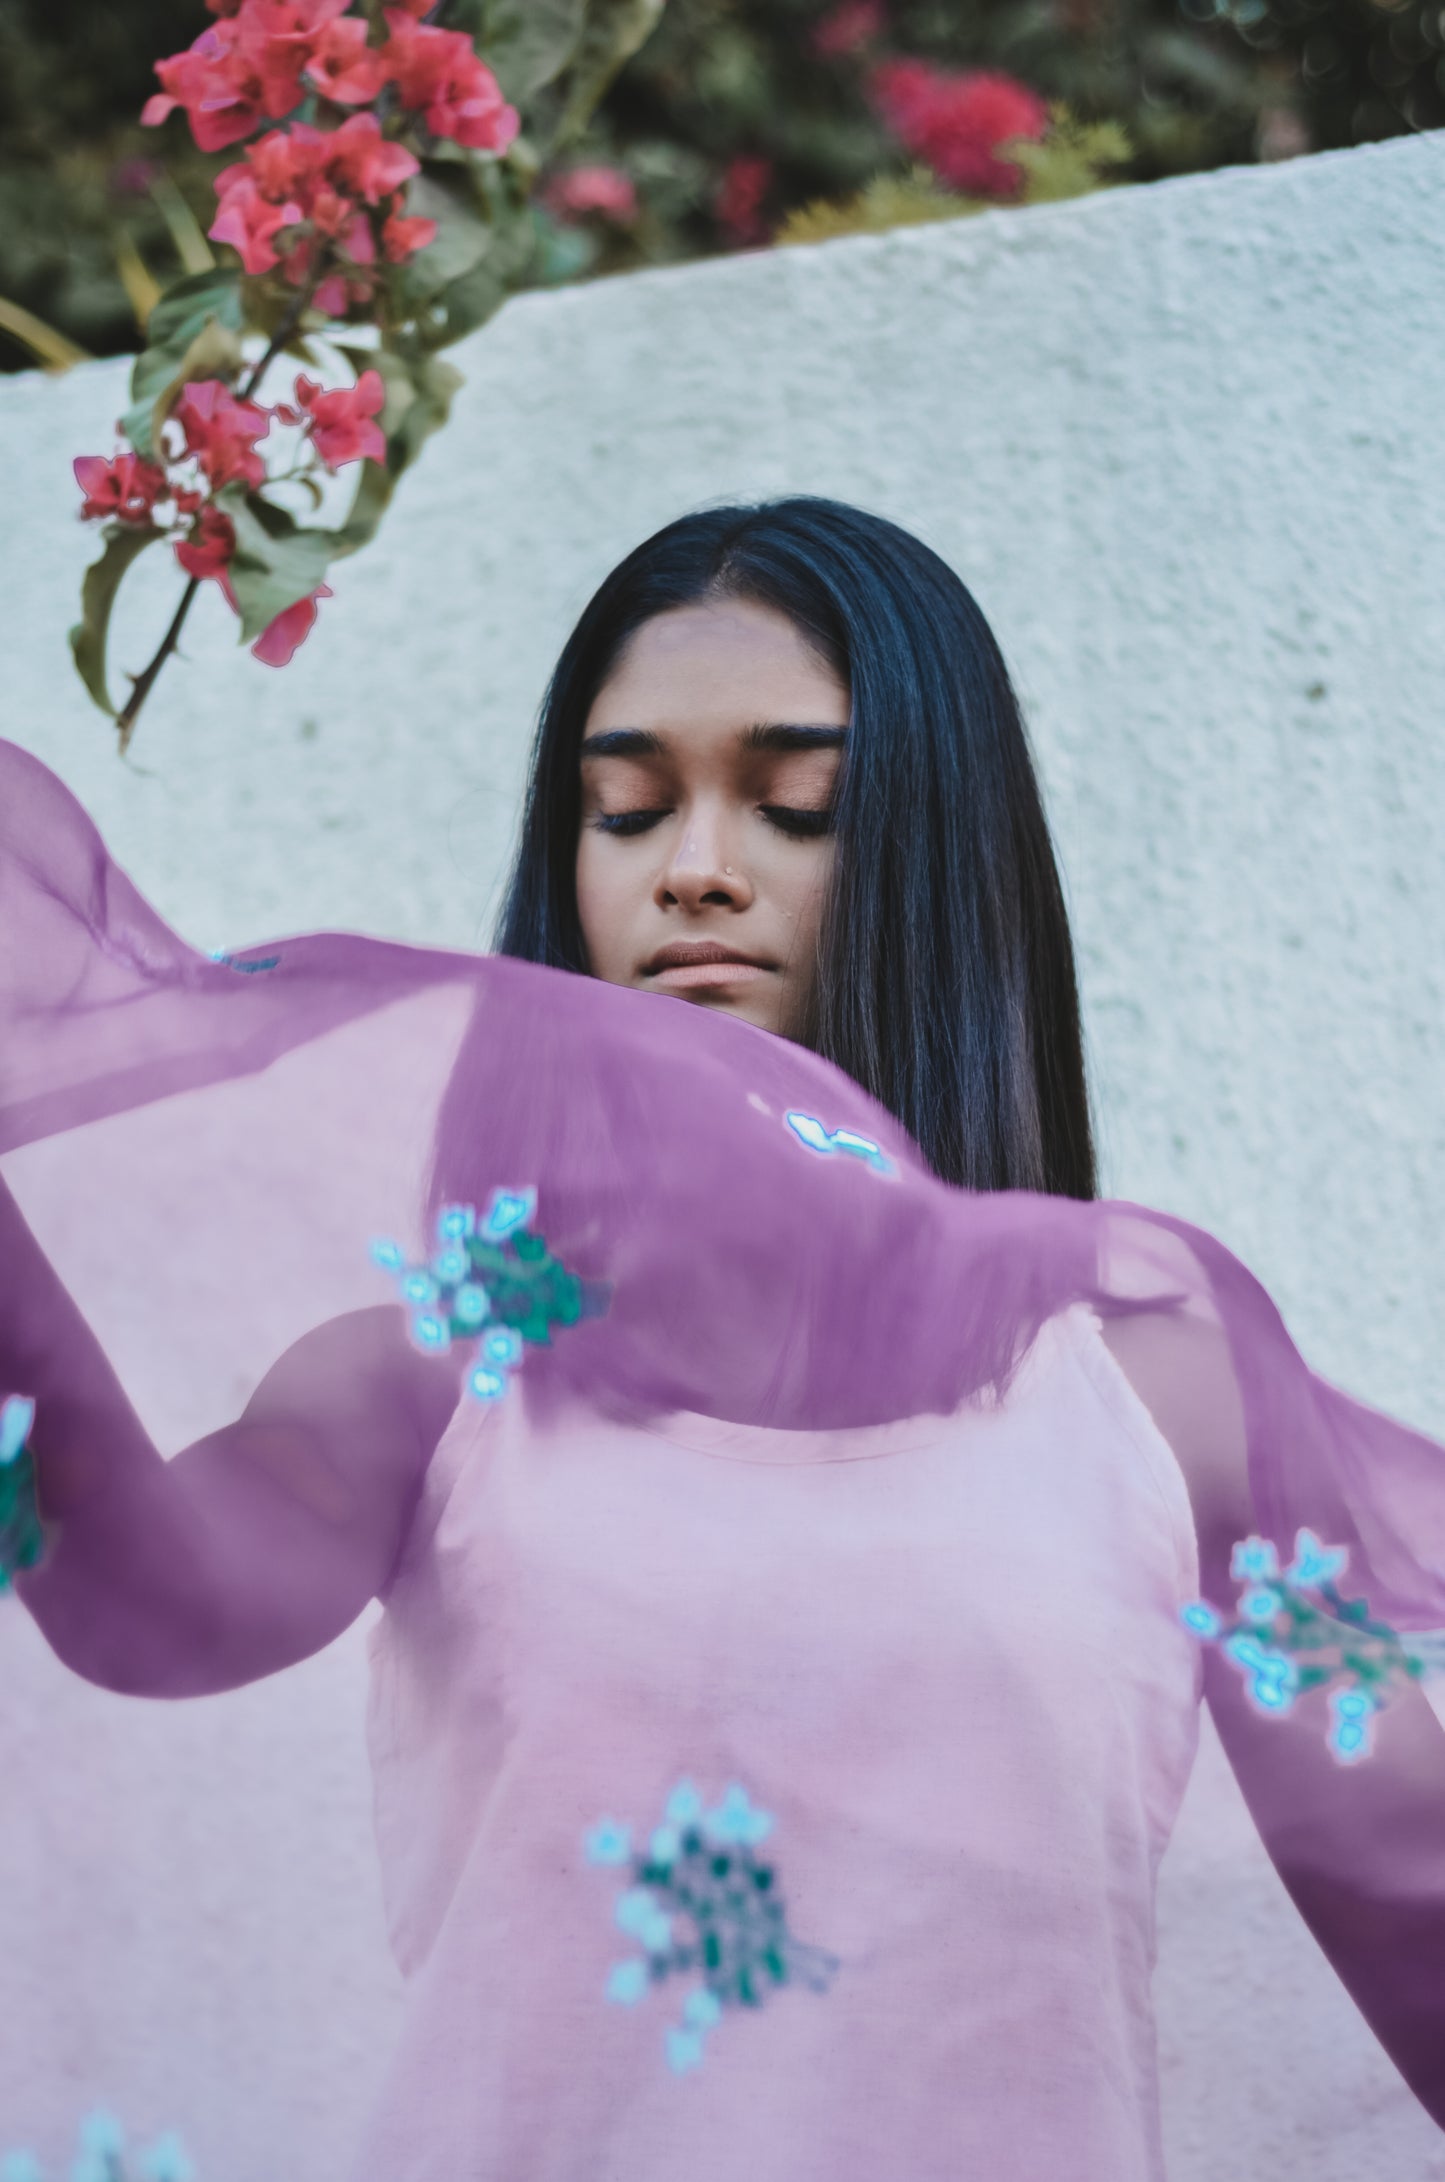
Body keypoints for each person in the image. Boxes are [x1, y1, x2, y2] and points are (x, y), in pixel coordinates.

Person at [2, 497, 1444, 2182]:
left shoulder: (1159, 1393)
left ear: (936, 853)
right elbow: (147, 1610)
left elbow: (1412, 1896)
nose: (693, 863)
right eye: (624, 809)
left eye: (791, 803)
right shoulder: (436, 1377)